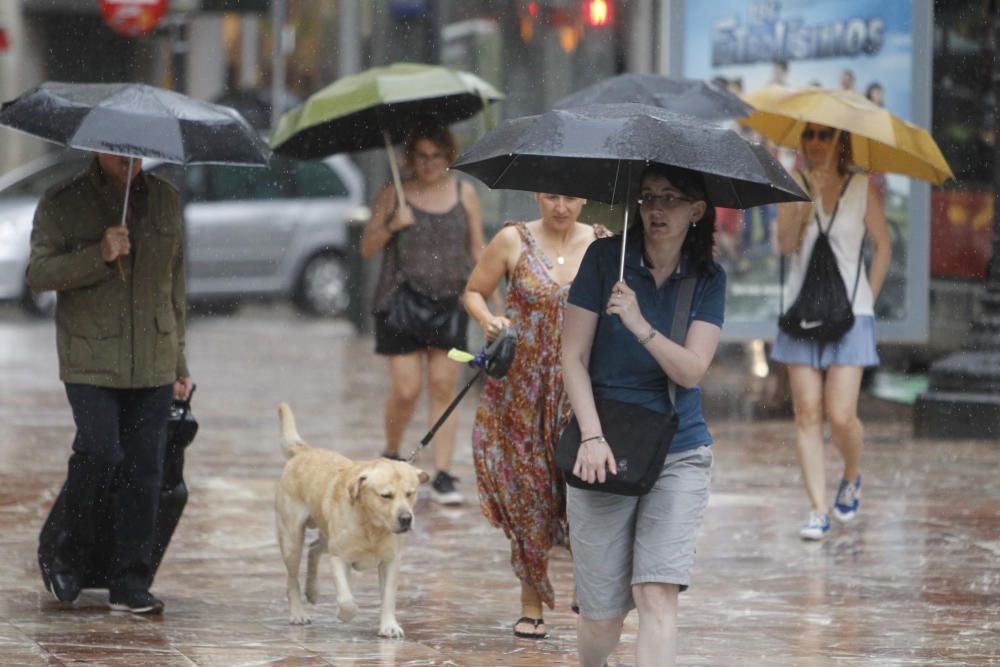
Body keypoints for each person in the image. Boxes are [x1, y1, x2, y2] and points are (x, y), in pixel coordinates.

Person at [562, 165, 726, 667]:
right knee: (602, 618)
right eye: (649, 197)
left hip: (679, 449)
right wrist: (590, 436)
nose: (657, 208)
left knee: (657, 594)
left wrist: (638, 323)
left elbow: (692, 370)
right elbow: (572, 356)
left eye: (672, 199)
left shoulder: (707, 279)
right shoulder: (603, 259)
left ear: (696, 211)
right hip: (602, 448)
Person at [28, 152, 193, 615]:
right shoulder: (64, 201)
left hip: (154, 359)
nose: (129, 159)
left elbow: (174, 283)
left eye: (136, 152)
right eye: (118, 151)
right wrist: (96, 255)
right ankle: (67, 555)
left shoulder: (165, 200)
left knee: (145, 469)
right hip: (90, 356)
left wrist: (179, 359)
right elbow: (39, 275)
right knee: (101, 452)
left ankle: (130, 580)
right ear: (97, 149)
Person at [463, 194, 608, 640]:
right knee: (529, 494)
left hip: (579, 385)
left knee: (584, 489)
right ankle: (530, 603)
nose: (560, 206)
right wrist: (490, 319)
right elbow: (473, 290)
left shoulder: (604, 244)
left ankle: (590, 591)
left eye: (569, 197)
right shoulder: (513, 239)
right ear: (537, 196)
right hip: (521, 389)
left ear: (583, 198)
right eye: (550, 196)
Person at [773, 123, 891, 541]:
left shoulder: (861, 188)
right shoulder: (793, 186)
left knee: (841, 415)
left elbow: (883, 246)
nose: (816, 142)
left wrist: (868, 299)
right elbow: (783, 247)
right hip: (801, 311)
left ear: (842, 141)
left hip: (851, 315)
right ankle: (818, 510)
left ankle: (852, 474)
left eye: (825, 135)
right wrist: (801, 209)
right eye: (809, 135)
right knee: (807, 413)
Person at [361, 120, 486, 505]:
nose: (429, 164)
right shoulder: (393, 194)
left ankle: (444, 472)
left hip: (450, 304)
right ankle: (392, 450)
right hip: (401, 303)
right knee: (406, 388)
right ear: (410, 158)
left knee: (444, 386)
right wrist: (391, 225)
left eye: (436, 156)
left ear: (448, 157)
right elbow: (367, 247)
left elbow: (477, 250)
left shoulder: (465, 193)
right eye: (421, 156)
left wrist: (493, 302)